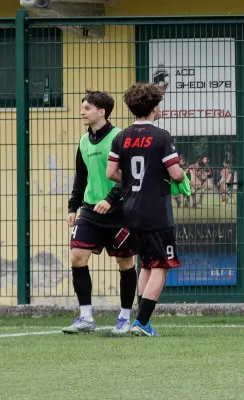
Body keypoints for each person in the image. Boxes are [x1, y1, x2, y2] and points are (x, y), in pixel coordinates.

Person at [107, 82, 187, 336]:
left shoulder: (122, 136)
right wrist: (182, 177)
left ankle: (140, 320)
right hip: (156, 211)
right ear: (154, 107)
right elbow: (175, 174)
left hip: (130, 210)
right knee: (161, 266)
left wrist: (131, 183)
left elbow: (111, 173)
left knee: (147, 265)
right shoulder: (162, 136)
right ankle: (142, 322)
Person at [62, 90, 136, 335]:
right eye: (82, 107)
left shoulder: (119, 137)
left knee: (125, 262)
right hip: (91, 211)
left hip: (119, 212)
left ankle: (125, 317)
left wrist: (111, 199)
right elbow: (80, 177)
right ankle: (85, 317)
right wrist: (73, 207)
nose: (82, 112)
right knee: (77, 257)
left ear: (102, 112)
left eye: (87, 108)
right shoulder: (83, 142)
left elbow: (128, 175)